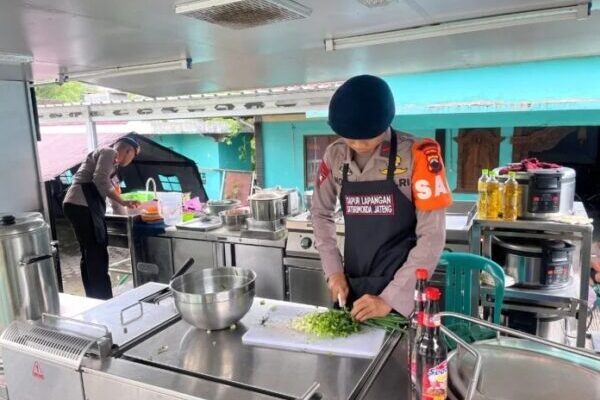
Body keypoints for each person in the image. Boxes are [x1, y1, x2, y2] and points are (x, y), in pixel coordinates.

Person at [312, 75, 452, 321]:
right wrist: (333, 272)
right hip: (353, 288)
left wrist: (391, 299)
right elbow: (321, 214)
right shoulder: (334, 156)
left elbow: (432, 236)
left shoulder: (417, 156)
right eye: (348, 136)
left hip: (403, 295)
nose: (357, 144)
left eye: (367, 136)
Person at [63, 136, 141, 299]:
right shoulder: (108, 152)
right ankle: (103, 299)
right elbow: (100, 180)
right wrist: (124, 201)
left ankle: (93, 297)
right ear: (128, 150)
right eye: (133, 155)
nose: (131, 160)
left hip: (82, 206)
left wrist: (126, 218)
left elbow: (112, 193)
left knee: (91, 252)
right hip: (82, 204)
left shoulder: (113, 166)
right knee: (96, 252)